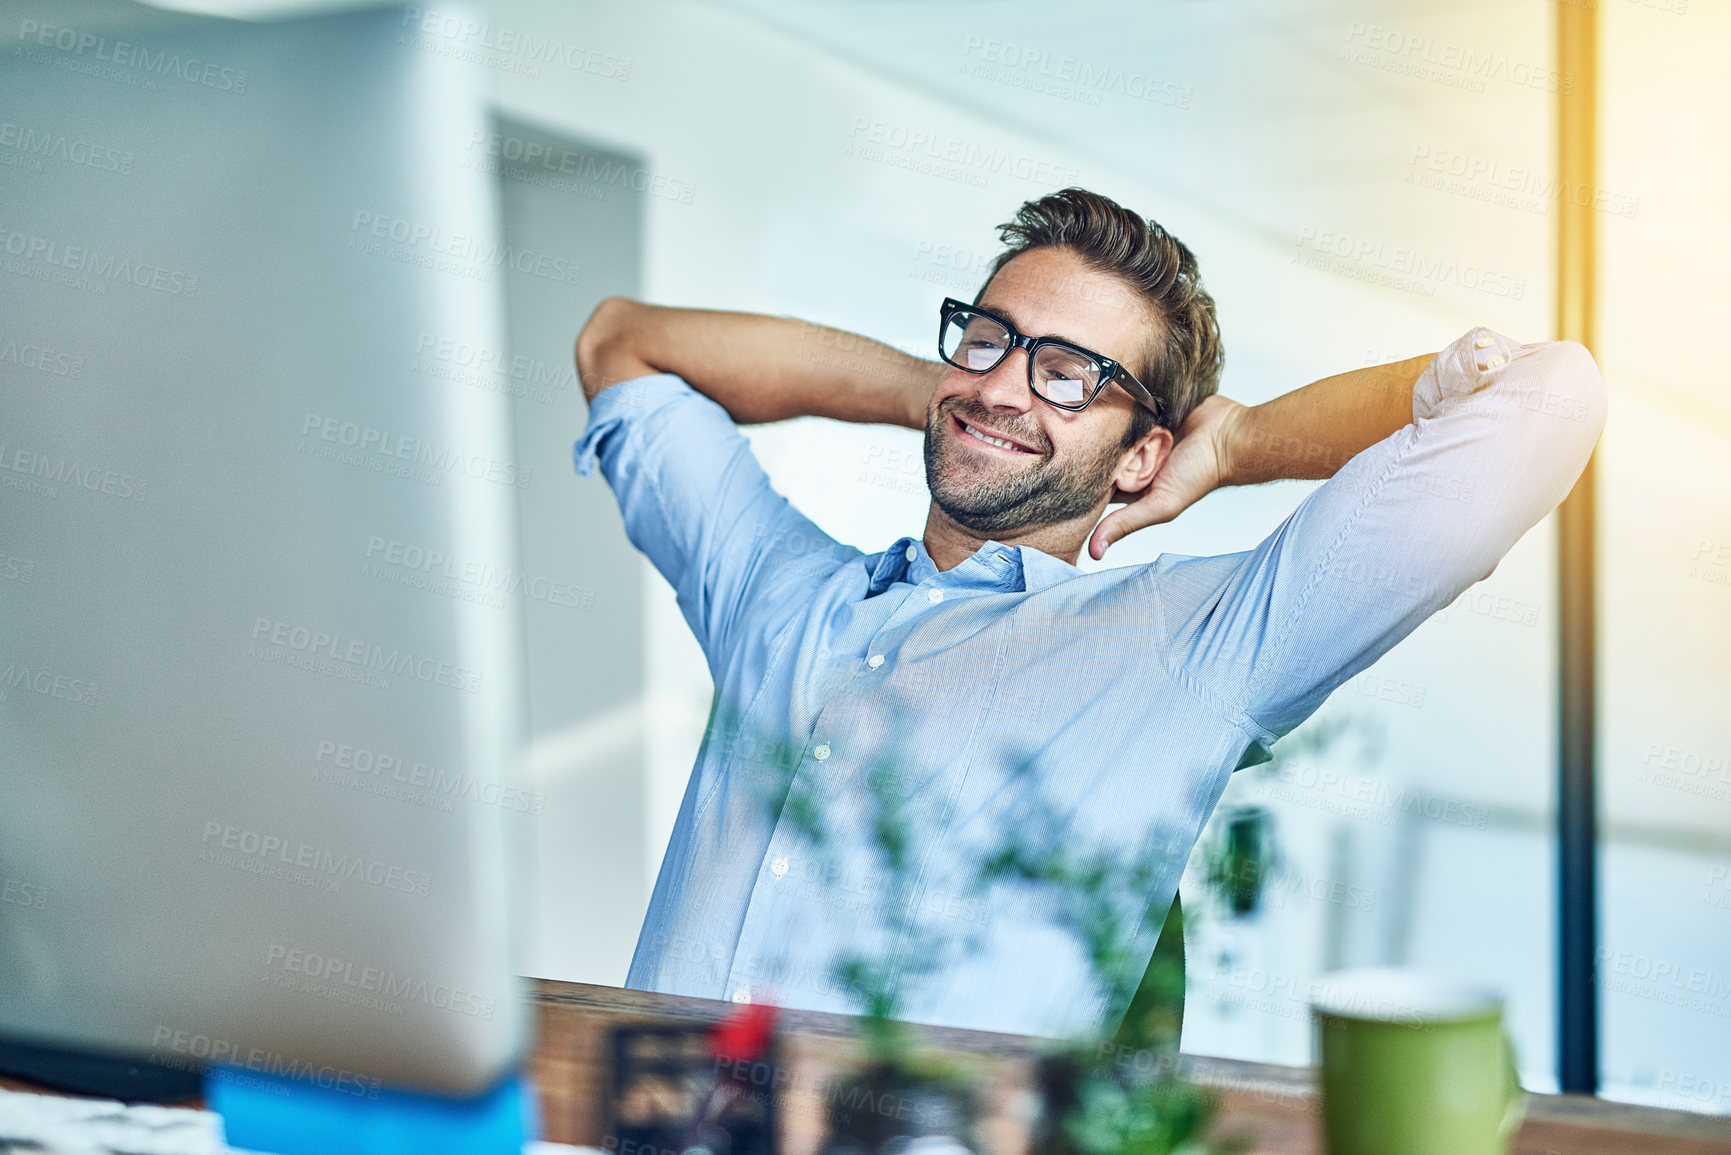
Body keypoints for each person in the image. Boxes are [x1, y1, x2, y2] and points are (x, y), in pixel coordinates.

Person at [570, 187, 1606, 1040]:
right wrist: (950, 393)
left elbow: (1547, 400)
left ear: (1144, 452)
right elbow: (624, 346)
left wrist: (1240, 443)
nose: (1013, 384)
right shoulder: (782, 597)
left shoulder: (1189, 648)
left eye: (1071, 374)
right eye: (991, 338)